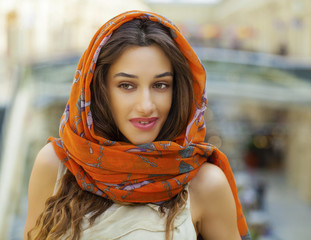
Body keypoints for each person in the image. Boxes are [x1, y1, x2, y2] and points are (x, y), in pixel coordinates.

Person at [24, 10, 251, 240]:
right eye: (126, 85)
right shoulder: (55, 165)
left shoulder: (204, 184)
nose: (146, 105)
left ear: (178, 90)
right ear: (99, 90)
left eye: (160, 85)